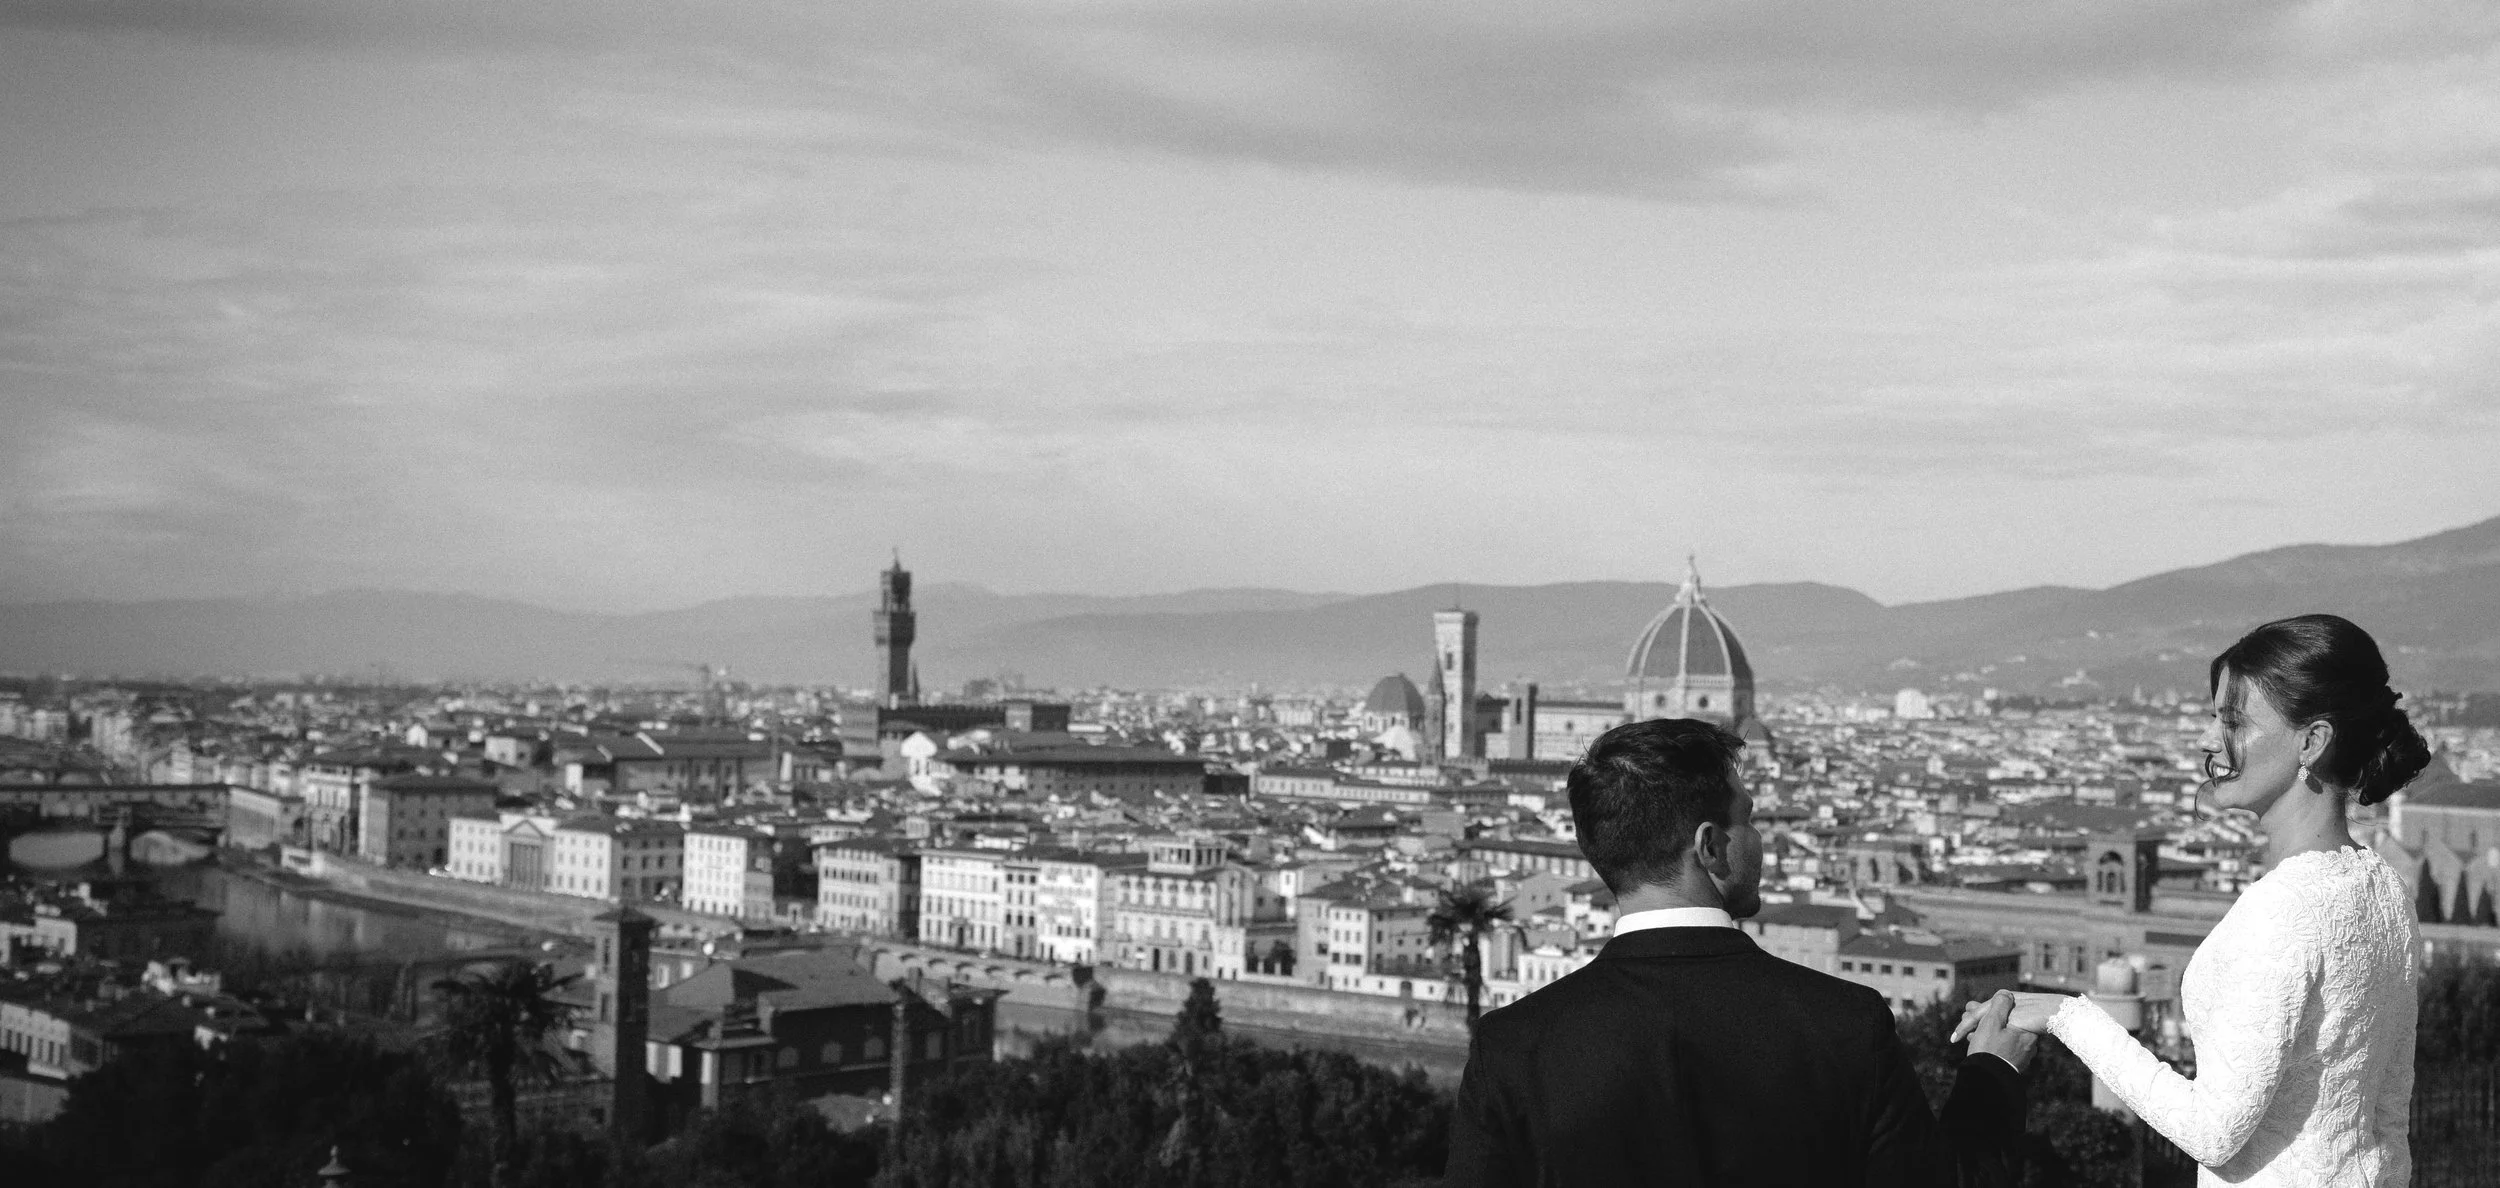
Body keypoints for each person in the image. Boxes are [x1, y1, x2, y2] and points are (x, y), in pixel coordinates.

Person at [1446, 717, 2034, 1187]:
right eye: (1748, 819)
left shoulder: (1513, 1048)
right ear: (1710, 846)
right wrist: (1993, 1071)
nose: (1760, 840)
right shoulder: (1844, 1025)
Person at [1959, 613, 2429, 1186]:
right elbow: (2389, 1111)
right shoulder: (2384, 889)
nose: (2209, 740)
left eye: (2232, 720)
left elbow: (2213, 1131)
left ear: (2313, 741)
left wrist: (2069, 1015)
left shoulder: (2285, 908)